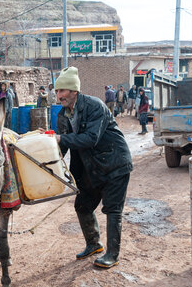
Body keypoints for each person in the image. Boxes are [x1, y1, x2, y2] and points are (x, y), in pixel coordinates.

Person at [53, 67, 133, 269]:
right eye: (57, 92)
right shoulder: (63, 115)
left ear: (74, 91)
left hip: (114, 162)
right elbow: (61, 147)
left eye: (62, 91)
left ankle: (112, 254)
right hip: (91, 168)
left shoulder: (94, 106)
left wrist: (61, 138)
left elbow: (91, 138)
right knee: (82, 205)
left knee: (112, 209)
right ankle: (94, 244)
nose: (59, 96)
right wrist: (46, 153)